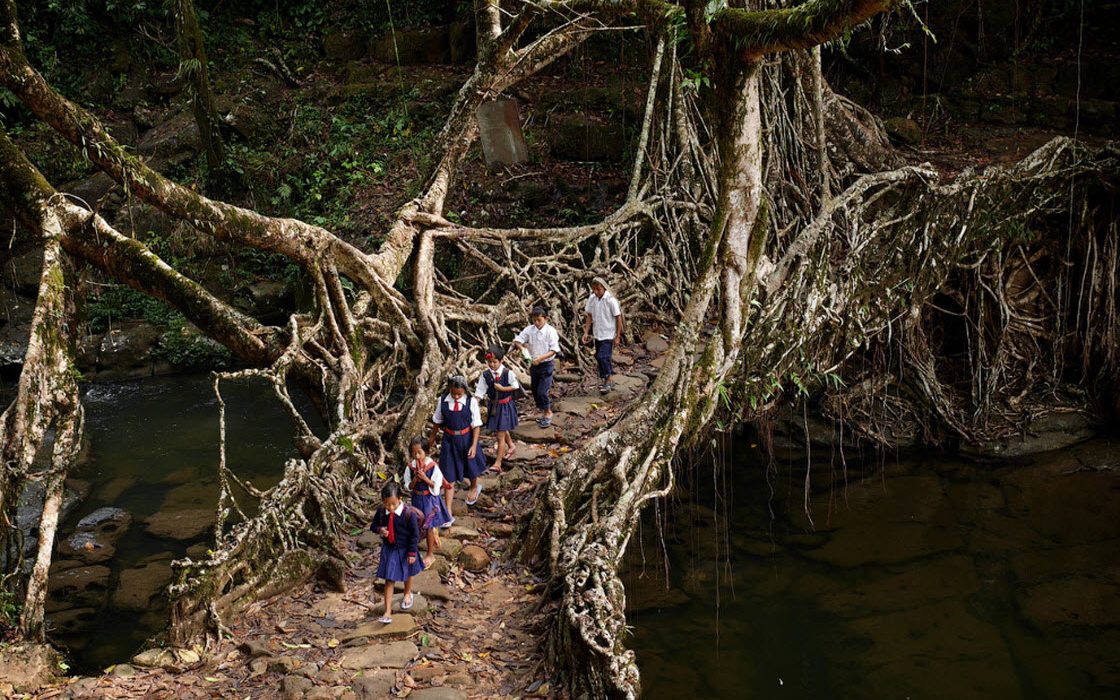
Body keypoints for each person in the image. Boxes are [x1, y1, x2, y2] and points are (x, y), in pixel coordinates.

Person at [429, 375, 488, 515]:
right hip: (449, 439)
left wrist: (474, 445)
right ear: (449, 389)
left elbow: (476, 425)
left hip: (466, 438)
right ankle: (448, 511)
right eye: (453, 393)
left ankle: (474, 487)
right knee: (448, 473)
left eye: (459, 394)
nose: (455, 396)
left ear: (464, 391)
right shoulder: (442, 401)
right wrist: (432, 438)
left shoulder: (470, 402)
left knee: (470, 465)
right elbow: (437, 421)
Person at [369, 482, 424, 624]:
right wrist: (380, 529)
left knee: (408, 572)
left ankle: (407, 593)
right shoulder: (382, 511)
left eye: (393, 504)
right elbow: (373, 526)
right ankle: (387, 612)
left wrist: (412, 553)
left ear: (400, 498)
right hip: (390, 549)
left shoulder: (408, 514)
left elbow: (414, 534)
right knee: (389, 578)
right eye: (387, 504)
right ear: (383, 502)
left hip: (406, 548)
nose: (390, 508)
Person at [404, 436, 452, 566]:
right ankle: (414, 550)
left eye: (419, 452)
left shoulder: (432, 467)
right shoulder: (410, 468)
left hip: (429, 500)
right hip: (417, 498)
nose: (417, 455)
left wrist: (425, 478)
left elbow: (436, 486)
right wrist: (415, 480)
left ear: (426, 451)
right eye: (414, 453)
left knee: (429, 525)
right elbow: (407, 486)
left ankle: (430, 554)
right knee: (416, 523)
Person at [512, 305, 560, 427]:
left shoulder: (551, 332)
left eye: (539, 320)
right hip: (534, 365)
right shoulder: (530, 330)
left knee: (542, 391)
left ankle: (548, 412)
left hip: (547, 364)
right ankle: (543, 411)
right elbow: (518, 340)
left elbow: (554, 350)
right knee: (535, 390)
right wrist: (522, 348)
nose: (537, 323)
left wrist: (541, 358)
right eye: (534, 320)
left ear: (546, 319)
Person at [475, 346, 519, 473]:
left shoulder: (507, 373)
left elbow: (515, 386)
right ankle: (511, 445)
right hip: (493, 406)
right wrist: (475, 402)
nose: (492, 365)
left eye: (495, 362)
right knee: (501, 428)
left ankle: (498, 463)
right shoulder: (486, 375)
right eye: (490, 362)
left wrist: (503, 389)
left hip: (505, 406)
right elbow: (480, 390)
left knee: (500, 435)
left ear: (501, 361)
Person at [581, 276, 623, 394]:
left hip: (608, 334)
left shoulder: (610, 300)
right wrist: (586, 332)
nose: (596, 292)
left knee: (602, 357)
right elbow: (589, 316)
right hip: (597, 333)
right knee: (600, 357)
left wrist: (618, 335)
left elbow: (618, 318)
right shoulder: (592, 299)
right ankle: (607, 377)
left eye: (598, 289)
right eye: (594, 289)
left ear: (604, 288)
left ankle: (608, 380)